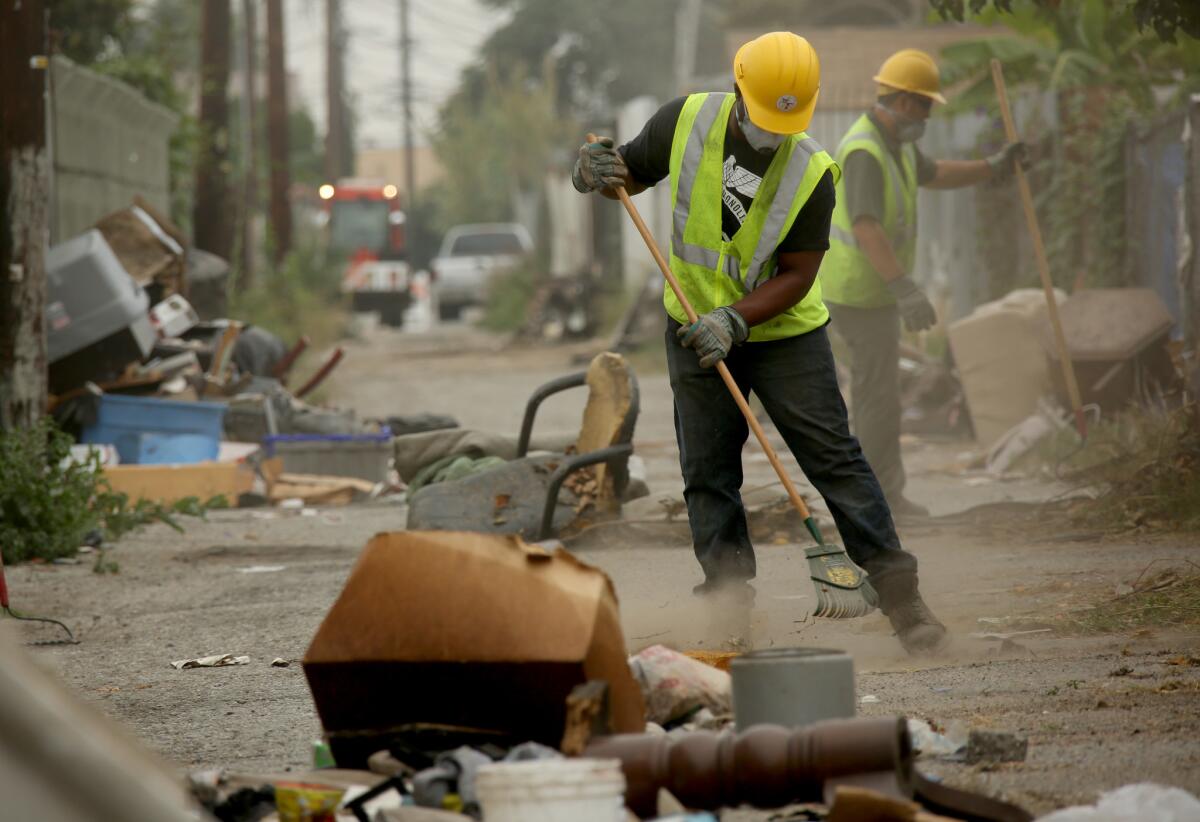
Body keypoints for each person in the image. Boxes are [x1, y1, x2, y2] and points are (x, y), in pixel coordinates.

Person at [570, 32, 946, 653]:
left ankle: (905, 604)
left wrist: (736, 322)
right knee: (708, 470)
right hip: (691, 322)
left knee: (834, 458)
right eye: (766, 116)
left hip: (782, 333)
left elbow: (799, 275)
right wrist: (593, 173)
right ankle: (727, 607)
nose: (774, 133)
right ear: (740, 89)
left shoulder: (814, 172)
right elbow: (627, 175)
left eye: (785, 123)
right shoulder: (685, 119)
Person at [820, 48, 1024, 518]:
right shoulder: (865, 150)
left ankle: (880, 495)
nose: (929, 115)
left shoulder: (896, 144)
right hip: (857, 292)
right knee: (877, 397)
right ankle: (879, 500)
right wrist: (903, 287)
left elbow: (937, 173)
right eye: (926, 105)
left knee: (881, 393)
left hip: (873, 291)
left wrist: (994, 167)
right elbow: (867, 227)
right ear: (905, 101)